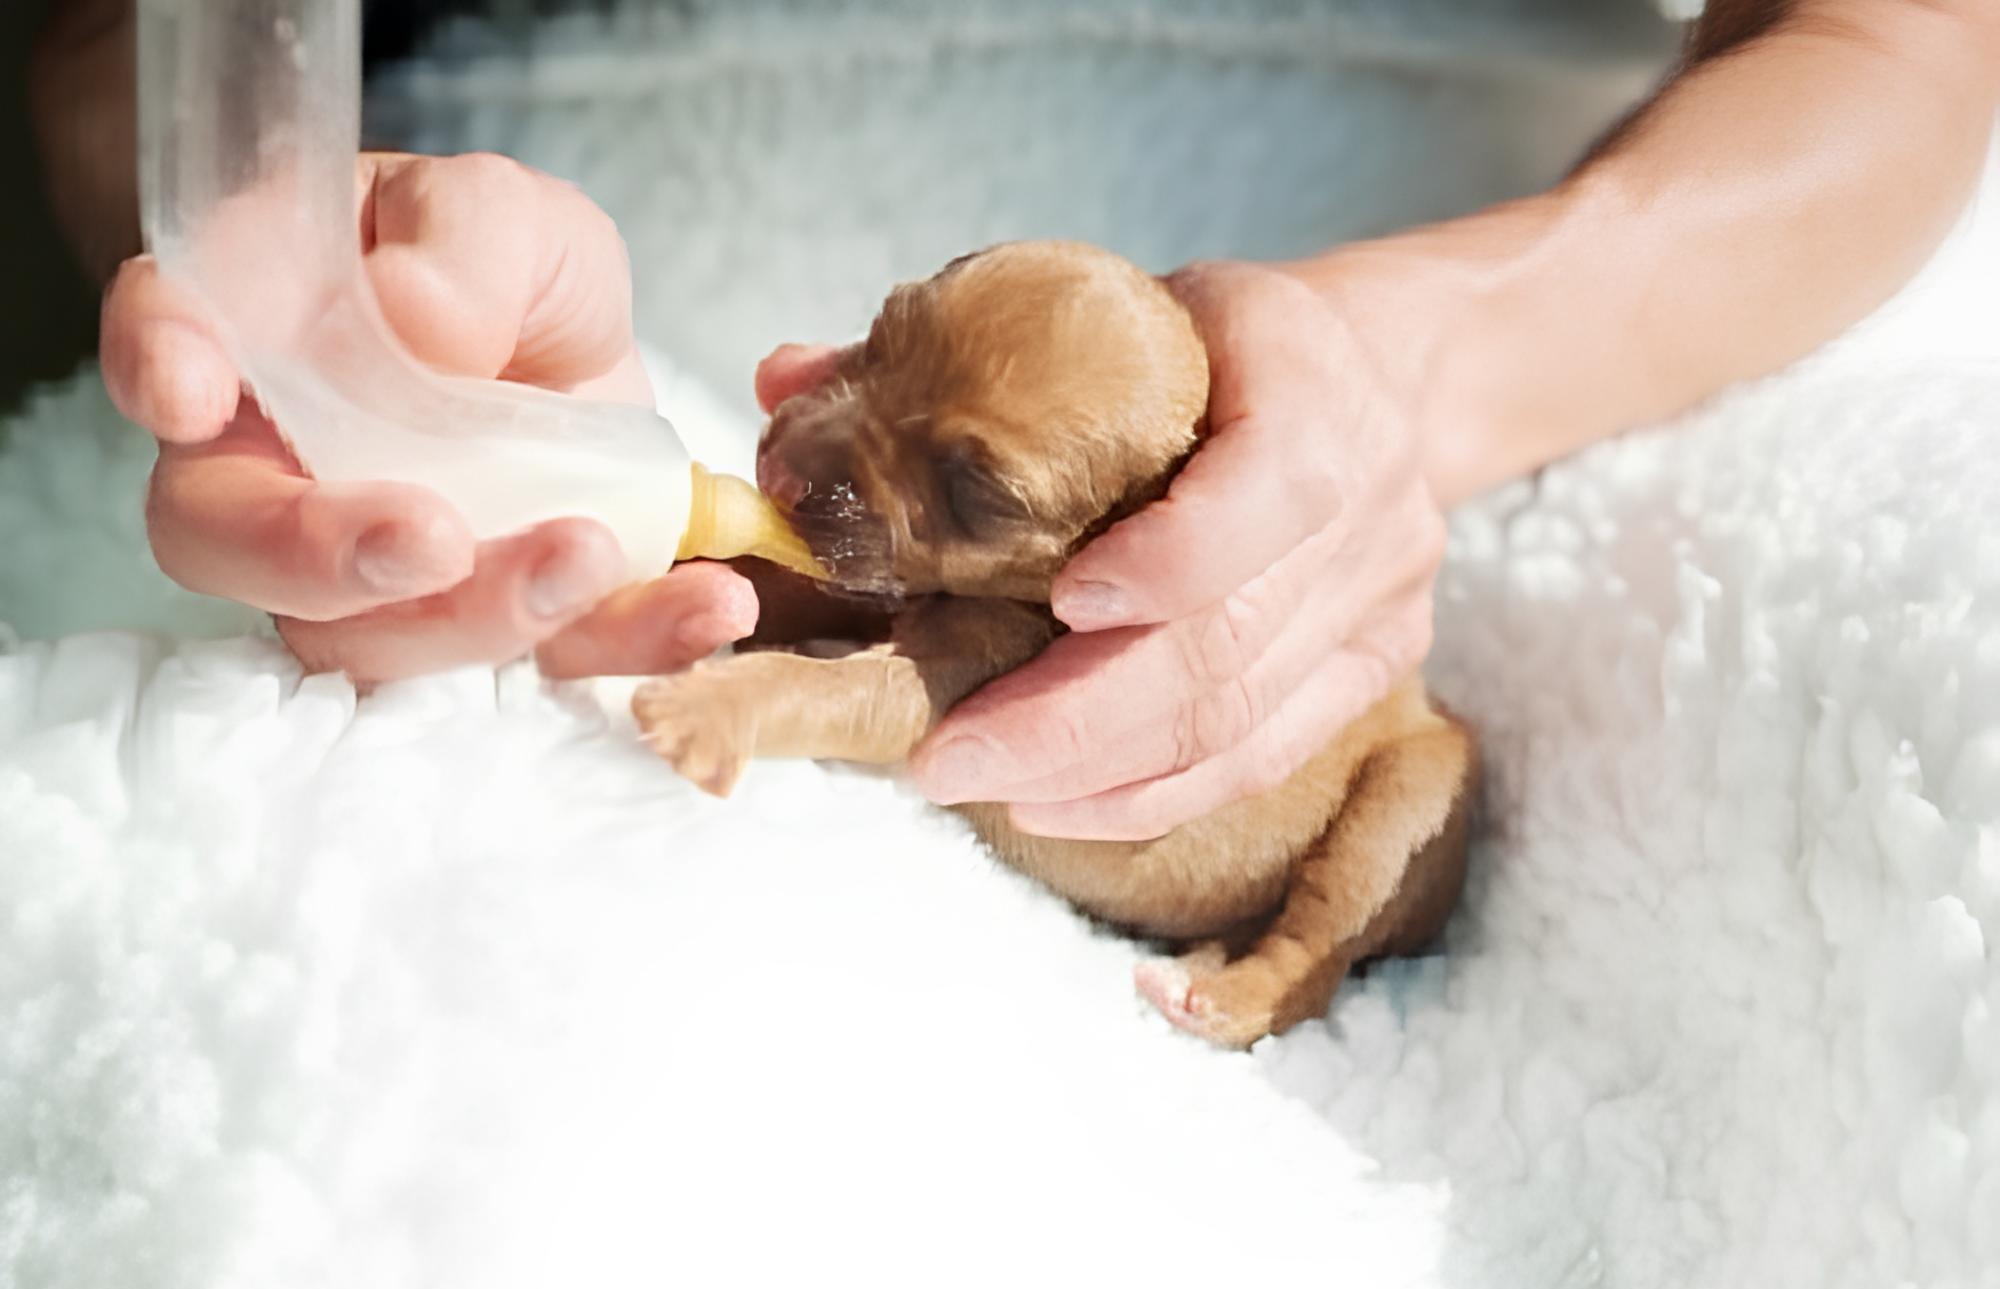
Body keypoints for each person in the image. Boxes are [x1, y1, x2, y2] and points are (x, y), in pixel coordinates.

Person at [28, 0, 2000, 841]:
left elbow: (1895, 39)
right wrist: (325, 296)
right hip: (575, 367)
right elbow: (130, 56)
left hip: (1584, 360)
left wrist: (1416, 361)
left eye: (959, 475)